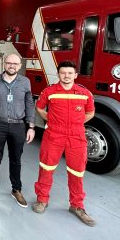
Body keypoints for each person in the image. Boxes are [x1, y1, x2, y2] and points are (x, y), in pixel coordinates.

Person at [32, 60, 96, 226]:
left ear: (75, 75)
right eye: (63, 73)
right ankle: (42, 200)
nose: (66, 76)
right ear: (58, 74)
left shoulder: (85, 93)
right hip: (54, 134)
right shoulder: (49, 91)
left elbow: (90, 112)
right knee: (46, 168)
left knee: (77, 172)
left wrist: (77, 123)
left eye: (69, 73)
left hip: (76, 136)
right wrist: (51, 120)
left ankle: (77, 206)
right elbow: (39, 108)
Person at [0, 53, 35, 207]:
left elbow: (29, 104)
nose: (12, 66)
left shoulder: (25, 82)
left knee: (16, 159)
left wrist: (31, 126)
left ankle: (16, 190)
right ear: (4, 64)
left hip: (18, 125)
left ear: (19, 66)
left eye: (15, 64)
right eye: (9, 63)